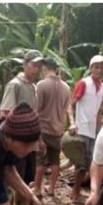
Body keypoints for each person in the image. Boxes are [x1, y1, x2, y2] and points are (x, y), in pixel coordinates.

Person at [0, 49, 44, 191]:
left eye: (39, 66)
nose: (36, 69)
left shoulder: (33, 87)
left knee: (28, 174)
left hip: (30, 141)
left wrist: (39, 139)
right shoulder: (15, 85)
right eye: (33, 65)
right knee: (16, 174)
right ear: (24, 65)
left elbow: (34, 115)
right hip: (17, 142)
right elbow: (6, 112)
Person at [69, 54, 103, 201]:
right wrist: (72, 122)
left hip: (92, 130)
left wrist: (99, 130)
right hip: (81, 128)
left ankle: (78, 191)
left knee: (90, 163)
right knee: (82, 164)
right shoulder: (84, 83)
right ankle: (75, 192)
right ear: (91, 68)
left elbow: (98, 111)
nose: (99, 70)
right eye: (96, 67)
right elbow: (70, 104)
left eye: (102, 67)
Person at [35, 57, 72, 197]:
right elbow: (65, 110)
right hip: (58, 130)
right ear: (56, 69)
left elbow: (37, 109)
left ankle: (37, 189)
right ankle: (51, 189)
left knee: (40, 161)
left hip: (43, 129)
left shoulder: (41, 85)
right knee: (55, 160)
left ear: (44, 68)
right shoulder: (66, 87)